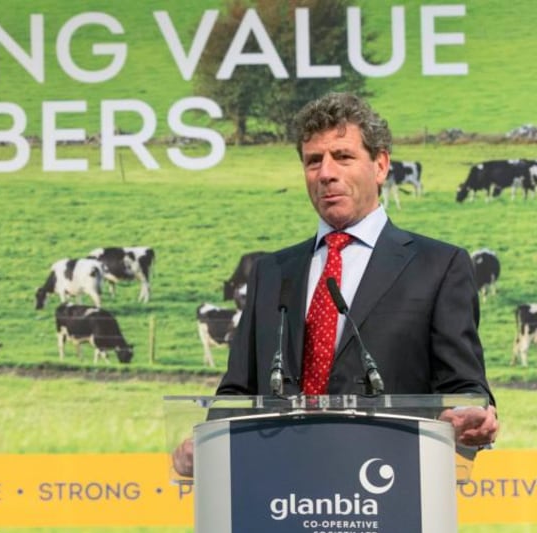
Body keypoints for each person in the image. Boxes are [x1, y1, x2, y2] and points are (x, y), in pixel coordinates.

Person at [172, 92, 498, 476]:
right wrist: (207, 442)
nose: (326, 173)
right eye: (313, 161)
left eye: (343, 156)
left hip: (389, 491)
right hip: (277, 491)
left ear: (380, 165)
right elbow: (238, 392)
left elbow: (463, 386)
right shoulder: (271, 272)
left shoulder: (438, 266)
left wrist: (468, 415)